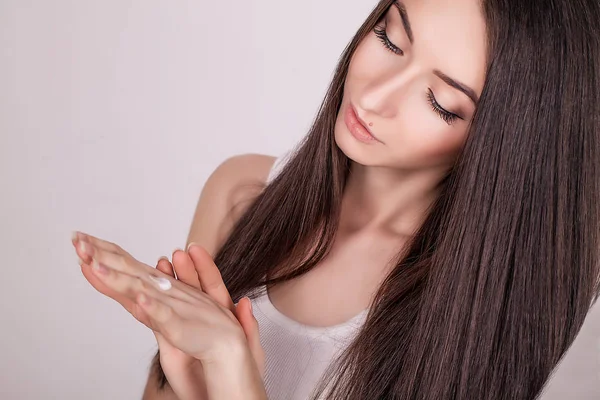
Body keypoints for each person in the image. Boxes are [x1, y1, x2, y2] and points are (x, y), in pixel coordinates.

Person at [74, 0, 600, 398]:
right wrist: (192, 381)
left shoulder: (473, 314)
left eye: (441, 104)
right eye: (390, 38)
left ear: (508, 143)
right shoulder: (240, 193)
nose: (373, 96)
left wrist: (233, 369)